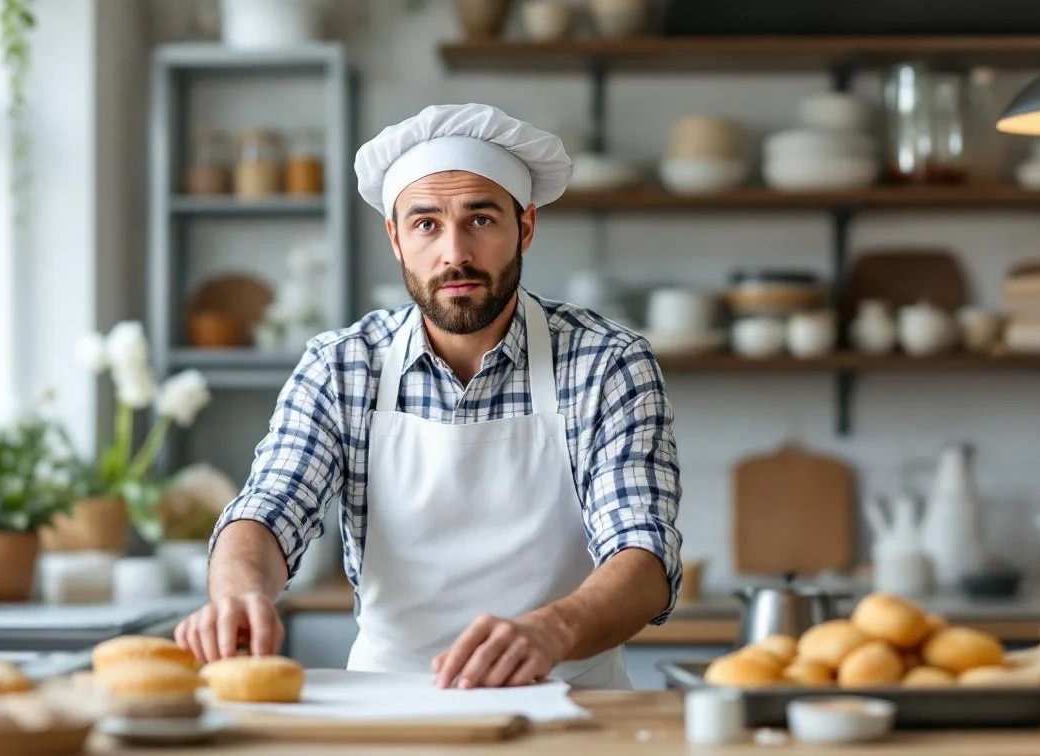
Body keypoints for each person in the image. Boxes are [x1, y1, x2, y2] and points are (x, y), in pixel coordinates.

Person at [175, 103, 682, 690]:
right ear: (395, 237)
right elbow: (270, 507)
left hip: (572, 697)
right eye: (426, 224)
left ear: (526, 227)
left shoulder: (608, 362)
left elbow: (643, 554)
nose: (454, 253)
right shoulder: (343, 366)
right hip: (390, 705)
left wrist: (553, 630)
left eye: (481, 220)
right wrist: (238, 595)